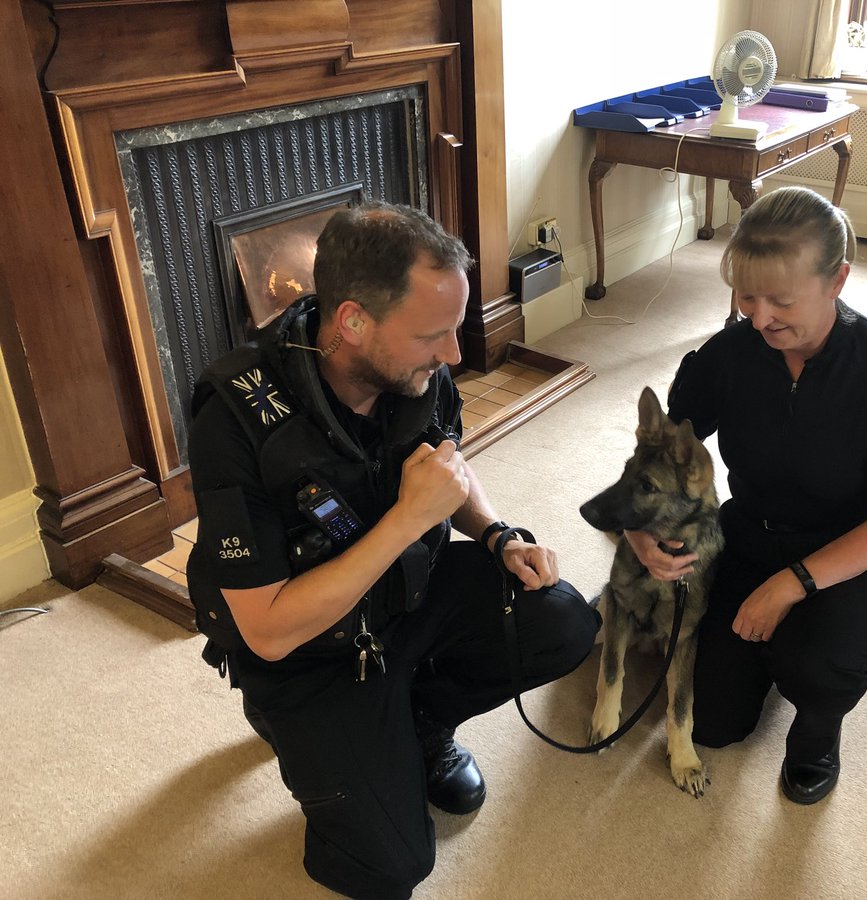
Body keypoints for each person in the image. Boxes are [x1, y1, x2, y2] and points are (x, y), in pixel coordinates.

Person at [186, 201, 600, 898]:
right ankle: (298, 730)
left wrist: (495, 534)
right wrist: (408, 521)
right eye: (434, 335)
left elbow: (446, 471)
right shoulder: (234, 419)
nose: (455, 355)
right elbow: (268, 630)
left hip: (406, 594)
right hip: (308, 651)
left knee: (562, 621)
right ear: (352, 322)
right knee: (392, 866)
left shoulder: (414, 370)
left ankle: (421, 725)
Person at [624, 186, 867, 805]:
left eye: (782, 300)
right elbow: (660, 455)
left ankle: (817, 731)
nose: (761, 317)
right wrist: (639, 529)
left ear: (837, 280)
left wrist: (789, 586)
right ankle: (765, 654)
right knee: (712, 724)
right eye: (747, 296)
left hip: (858, 550)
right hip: (754, 533)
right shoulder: (729, 354)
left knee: (819, 668)